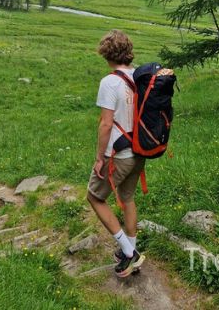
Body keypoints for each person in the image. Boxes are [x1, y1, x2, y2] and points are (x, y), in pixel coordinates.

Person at [87, 29, 145, 278]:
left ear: (107, 54)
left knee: (95, 198)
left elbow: (106, 124)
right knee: (127, 198)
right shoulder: (141, 77)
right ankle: (130, 250)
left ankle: (129, 253)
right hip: (140, 151)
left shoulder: (109, 82)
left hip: (118, 153)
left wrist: (100, 157)